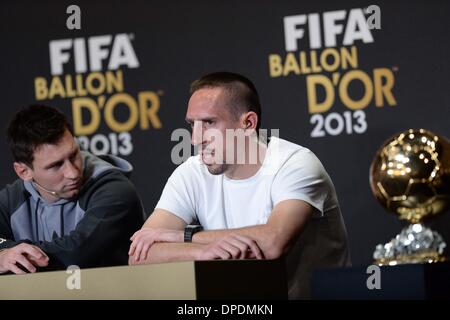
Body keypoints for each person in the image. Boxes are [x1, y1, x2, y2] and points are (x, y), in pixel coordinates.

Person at [129, 72, 351, 299]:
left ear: (247, 123)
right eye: (192, 124)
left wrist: (185, 237)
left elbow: (273, 243)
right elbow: (140, 255)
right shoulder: (191, 173)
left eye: (209, 123)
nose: (195, 138)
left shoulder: (294, 164)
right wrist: (203, 253)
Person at [0, 105, 144, 274]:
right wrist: (4, 255)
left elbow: (75, 256)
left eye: (74, 154)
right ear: (24, 172)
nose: (73, 173)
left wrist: (10, 254)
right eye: (56, 165)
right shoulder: (12, 200)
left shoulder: (115, 190)